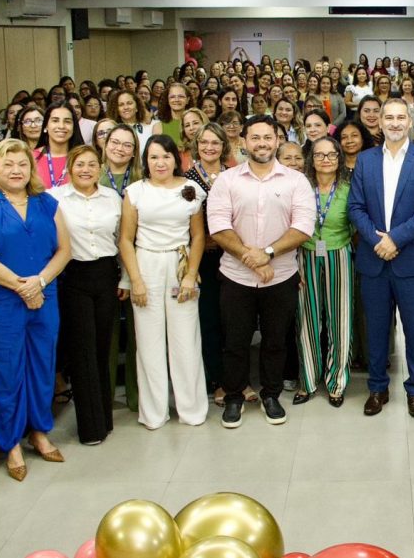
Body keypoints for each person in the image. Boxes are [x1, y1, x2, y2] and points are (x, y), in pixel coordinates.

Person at [0, 138, 72, 481]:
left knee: (43, 367)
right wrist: (22, 287)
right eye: (8, 164)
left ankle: (39, 432)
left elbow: (64, 251)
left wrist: (38, 284)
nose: (15, 170)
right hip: (3, 303)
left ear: (32, 169)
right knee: (6, 372)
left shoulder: (47, 203)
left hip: (45, 297)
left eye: (22, 164)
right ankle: (11, 443)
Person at [207, 116, 314, 427]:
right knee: (235, 341)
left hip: (280, 276)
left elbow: (303, 228)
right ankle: (234, 397)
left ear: (277, 140)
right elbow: (218, 227)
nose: (262, 143)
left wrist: (267, 254)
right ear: (243, 142)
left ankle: (270, 394)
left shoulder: (296, 181)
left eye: (268, 137)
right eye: (255, 138)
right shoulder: (227, 181)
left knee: (275, 339)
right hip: (235, 275)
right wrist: (250, 258)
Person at [348, 98, 414, 418]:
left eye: (401, 117)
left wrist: (395, 239)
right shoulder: (365, 160)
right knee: (375, 329)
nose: (394, 122)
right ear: (380, 121)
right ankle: (377, 387)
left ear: (410, 120)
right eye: (388, 117)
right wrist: (379, 241)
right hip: (374, 259)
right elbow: (355, 208)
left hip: (412, 259)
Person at [118, 134, 208, 430]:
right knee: (148, 342)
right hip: (146, 264)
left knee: (186, 339)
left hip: (181, 263)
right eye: (154, 156)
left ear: (176, 159)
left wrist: (191, 275)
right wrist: (136, 281)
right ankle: (154, 412)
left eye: (166, 156)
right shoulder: (135, 192)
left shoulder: (191, 189)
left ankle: (191, 409)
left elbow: (197, 236)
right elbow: (126, 240)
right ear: (145, 160)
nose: (160, 162)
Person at [48, 146, 120, 445]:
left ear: (100, 168)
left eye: (92, 164)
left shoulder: (112, 197)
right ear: (70, 167)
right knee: (82, 350)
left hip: (106, 275)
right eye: (80, 164)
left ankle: (105, 416)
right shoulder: (54, 198)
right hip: (72, 276)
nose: (86, 169)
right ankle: (90, 428)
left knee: (102, 348)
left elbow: (121, 239)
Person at [295, 136, 355, 407]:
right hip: (306, 253)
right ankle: (307, 381)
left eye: (332, 154)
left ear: (339, 158)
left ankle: (336, 383)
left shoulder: (348, 188)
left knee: (339, 319)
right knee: (307, 319)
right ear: (312, 160)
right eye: (320, 155)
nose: (326, 160)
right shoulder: (300, 188)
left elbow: (356, 223)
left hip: (339, 253)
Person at [183, 124, 230, 406]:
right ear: (196, 146)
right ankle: (217, 381)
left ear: (224, 146)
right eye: (204, 143)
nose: (210, 147)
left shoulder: (235, 175)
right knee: (210, 318)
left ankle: (237, 377)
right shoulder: (186, 180)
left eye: (216, 142)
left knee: (234, 320)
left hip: (234, 255)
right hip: (205, 256)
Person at [99, 124, 141, 411]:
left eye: (127, 145)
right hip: (102, 263)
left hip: (138, 263)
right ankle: (103, 397)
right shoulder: (91, 175)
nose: (120, 149)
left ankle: (137, 397)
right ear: (105, 144)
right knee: (106, 335)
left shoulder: (141, 178)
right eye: (115, 142)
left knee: (139, 336)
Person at [35, 102, 83, 189]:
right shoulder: (32, 157)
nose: (61, 126)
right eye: (55, 121)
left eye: (67, 121)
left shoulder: (83, 158)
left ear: (74, 127)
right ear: (46, 126)